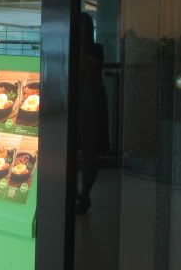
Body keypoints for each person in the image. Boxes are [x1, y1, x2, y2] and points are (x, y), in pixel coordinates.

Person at [77, 12, 109, 214]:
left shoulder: (95, 49)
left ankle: (84, 194)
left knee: (89, 151)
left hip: (90, 104)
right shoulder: (95, 49)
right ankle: (79, 194)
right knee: (84, 151)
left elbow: (88, 67)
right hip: (87, 102)